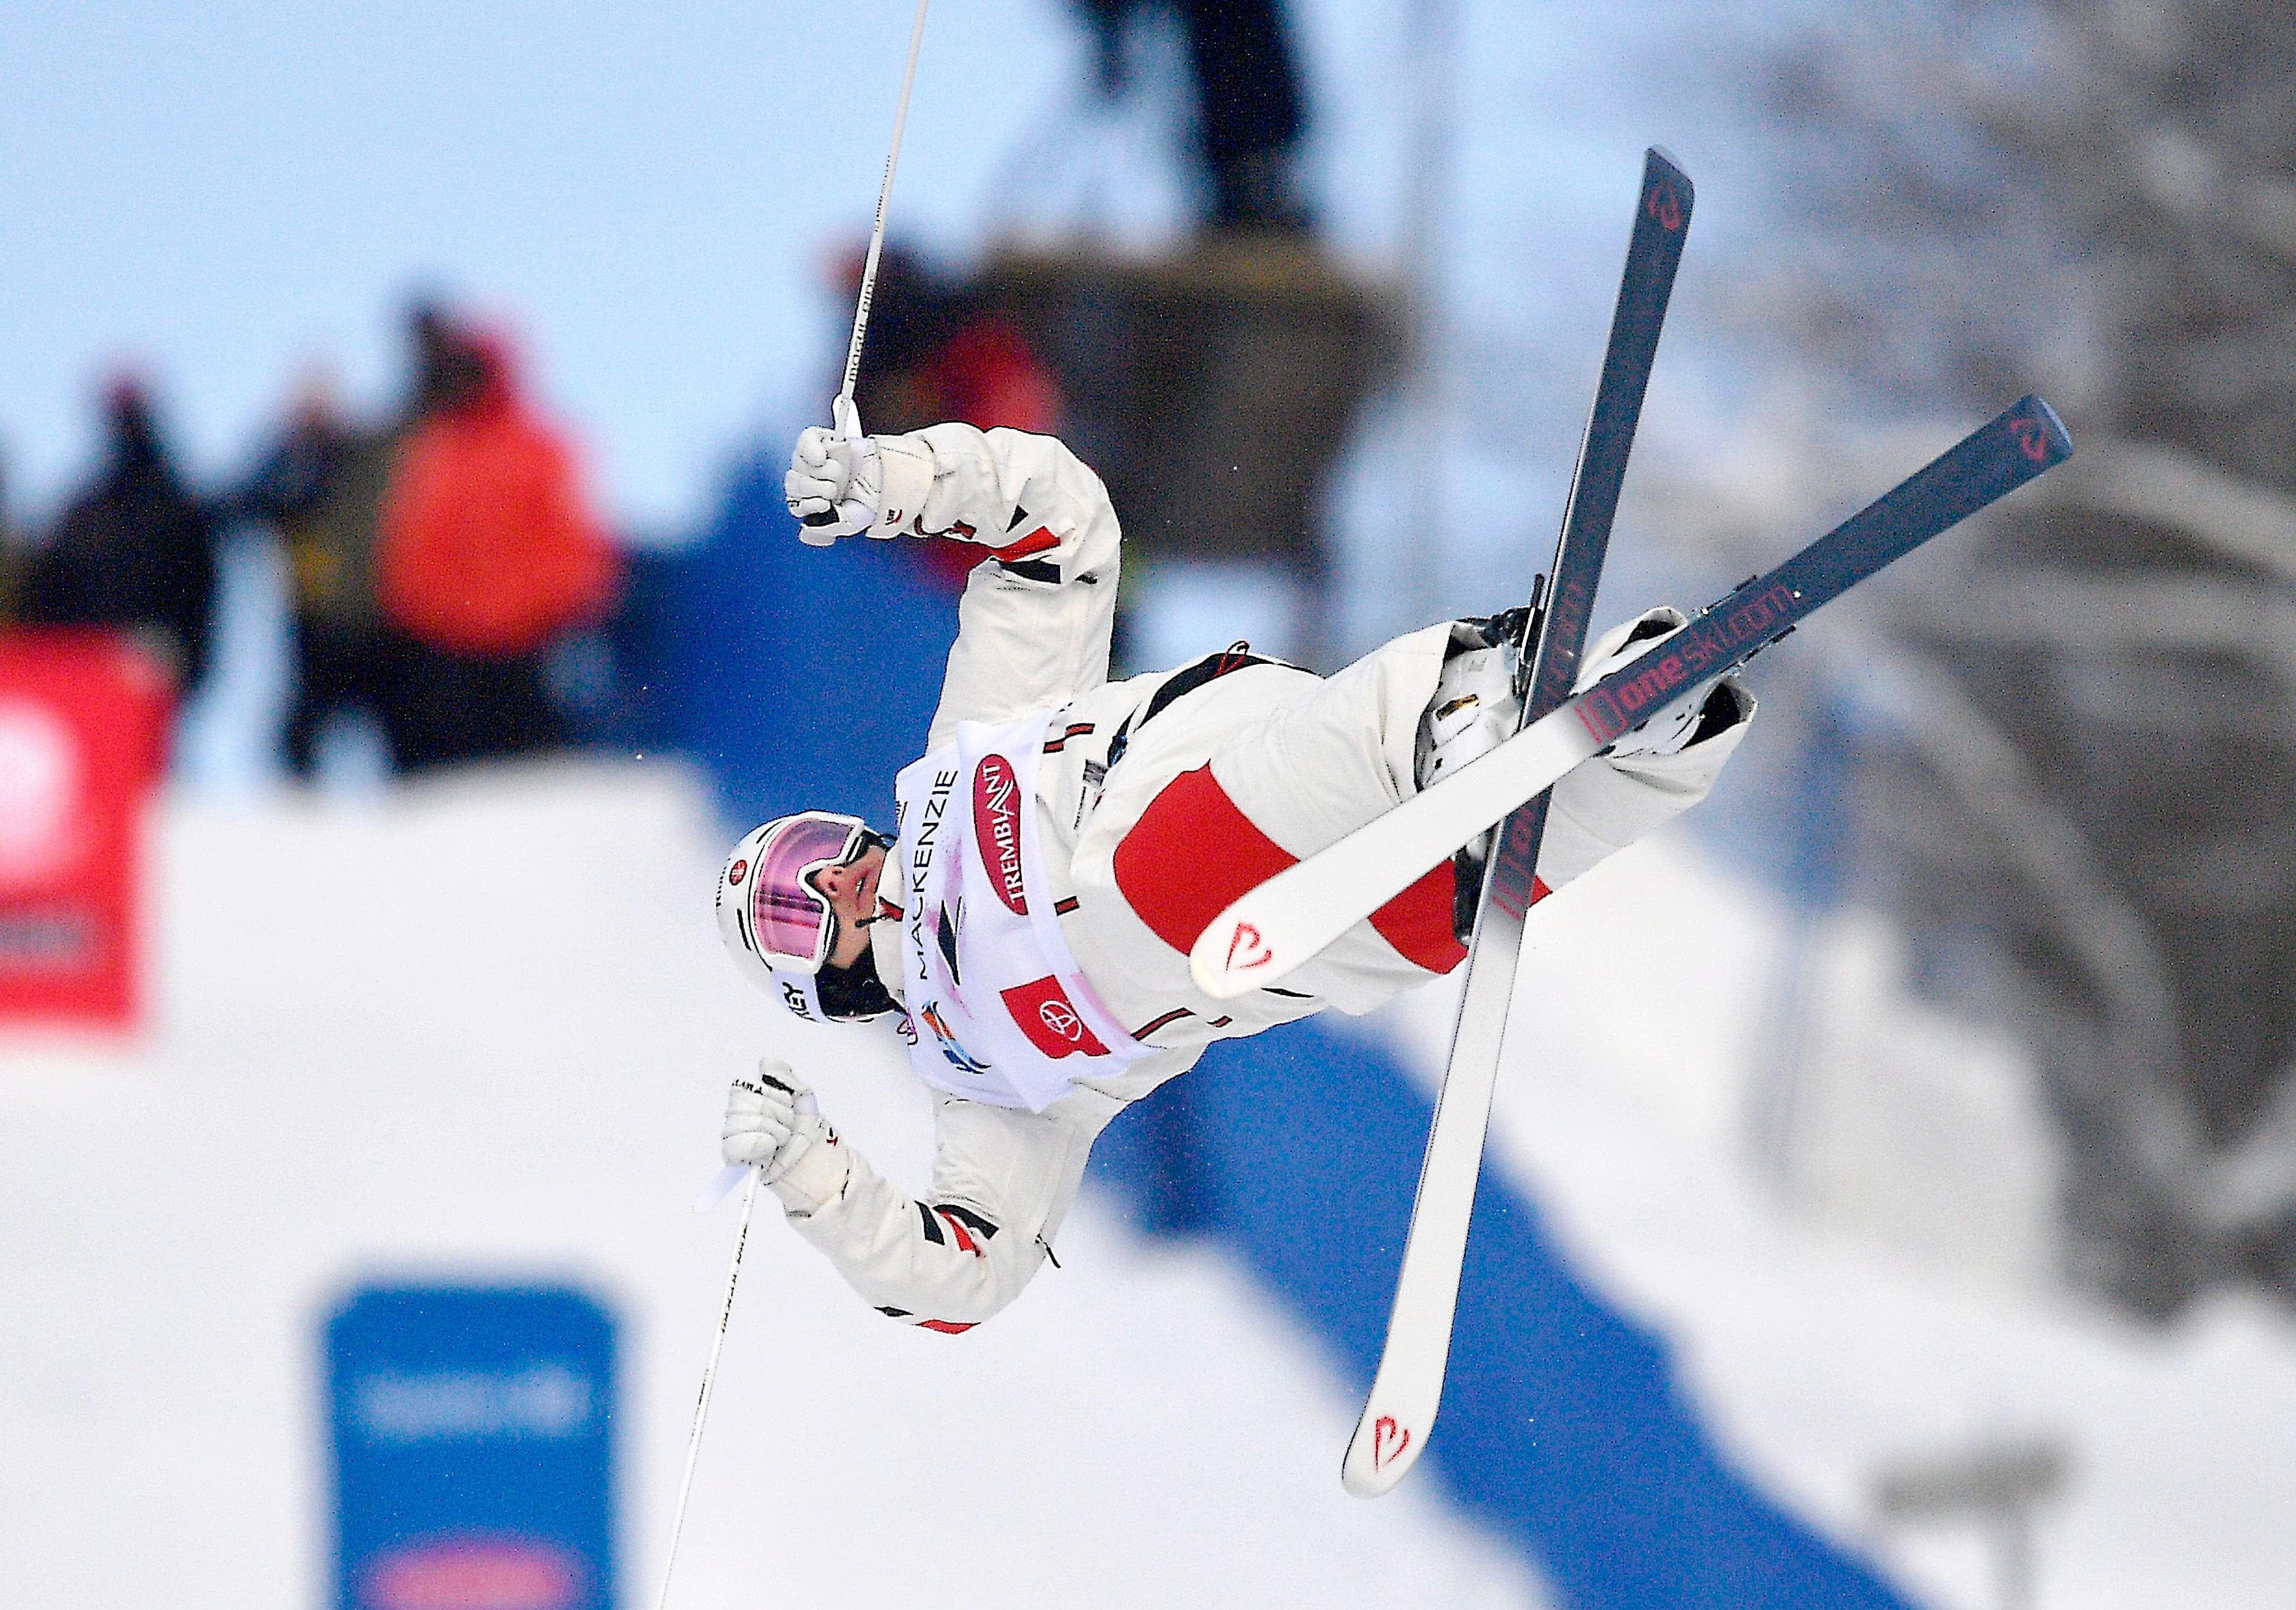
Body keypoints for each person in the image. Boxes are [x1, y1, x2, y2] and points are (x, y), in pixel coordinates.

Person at [712, 422, 1754, 1334]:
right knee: (1410, 910)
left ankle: (1470, 711)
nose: (832, 884)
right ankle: (1654, 728)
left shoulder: (962, 747)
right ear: (819, 989)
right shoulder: (981, 1082)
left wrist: (888, 481)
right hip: (1290, 936)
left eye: (809, 854)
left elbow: (1058, 521)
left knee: (1147, 883)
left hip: (1227, 777)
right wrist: (816, 1177)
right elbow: (964, 1280)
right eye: (794, 915)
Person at [373, 325, 619, 772]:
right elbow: (414, 555)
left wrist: (545, 605)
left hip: (530, 651)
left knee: (532, 782)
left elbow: (574, 545)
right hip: (454, 655)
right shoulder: (438, 452)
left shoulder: (536, 449)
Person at [19, 377, 219, 697]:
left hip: (146, 668)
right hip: (93, 667)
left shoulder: (171, 510)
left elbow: (198, 594)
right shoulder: (93, 511)